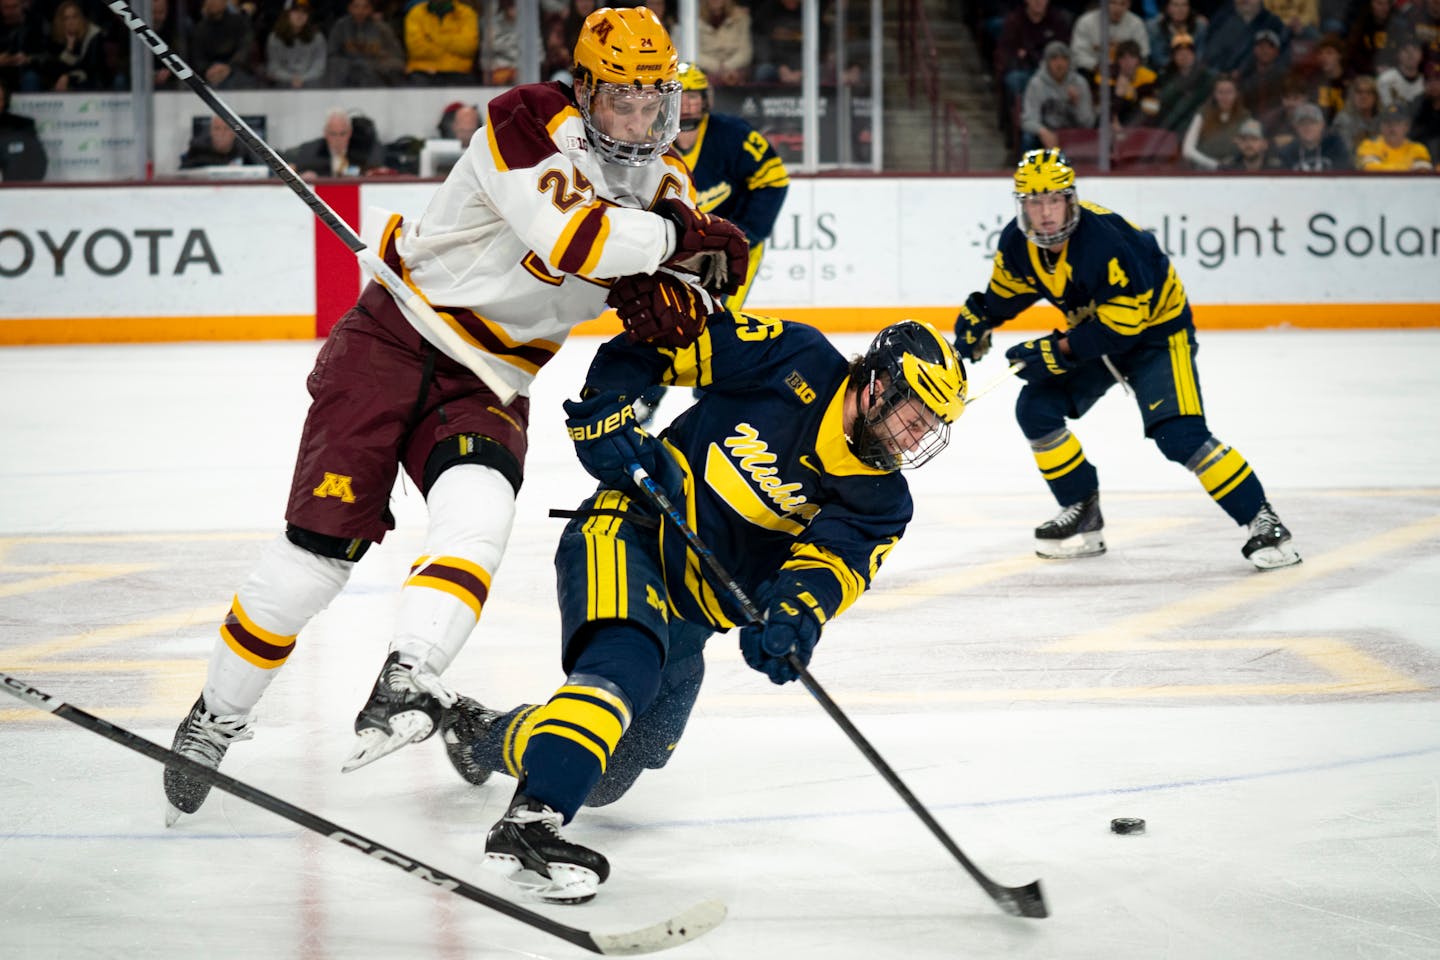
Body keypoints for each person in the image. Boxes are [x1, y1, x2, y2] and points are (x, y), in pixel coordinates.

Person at [159, 5, 749, 826]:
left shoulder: (667, 186)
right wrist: (675, 240)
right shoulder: (524, 120)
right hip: (394, 337)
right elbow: (580, 240)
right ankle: (215, 716)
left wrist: (691, 284)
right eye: (622, 97)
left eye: (656, 99)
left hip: (491, 382)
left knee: (480, 516)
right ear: (583, 88)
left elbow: (685, 282)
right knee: (315, 563)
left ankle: (409, 673)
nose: (642, 117)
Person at [438, 316, 967, 903]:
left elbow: (832, 568)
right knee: (623, 669)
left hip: (695, 611)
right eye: (913, 417)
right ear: (878, 386)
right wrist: (607, 403)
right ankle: (530, 822)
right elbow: (666, 338)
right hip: (629, 530)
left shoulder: (882, 499)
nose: (914, 439)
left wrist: (794, 618)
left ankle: (479, 732)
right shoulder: (795, 357)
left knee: (616, 769)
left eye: (930, 428)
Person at [951, 148, 1300, 571]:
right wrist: (980, 320)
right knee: (1036, 408)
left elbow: (1122, 330)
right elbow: (1007, 295)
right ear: (1021, 205)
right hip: (1093, 331)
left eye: (1053, 200)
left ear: (1070, 200)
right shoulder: (1016, 243)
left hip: (1156, 333)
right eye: (1034, 202)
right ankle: (1083, 515)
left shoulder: (1107, 241)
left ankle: (1264, 521)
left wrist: (1056, 350)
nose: (1044, 212)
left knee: (1180, 435)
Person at [632, 61, 790, 424]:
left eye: (696, 96)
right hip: (674, 252)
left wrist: (746, 234)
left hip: (729, 254)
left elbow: (774, 179)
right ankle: (647, 397)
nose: (689, 105)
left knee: (716, 323)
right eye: (682, 96)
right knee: (663, 317)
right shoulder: (645, 137)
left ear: (708, 99)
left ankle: (709, 401)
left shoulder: (732, 135)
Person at [1020, 40, 1095, 153]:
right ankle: (1030, 169)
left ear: (1069, 62)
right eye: (1054, 59)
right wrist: (1043, 132)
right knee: (1028, 138)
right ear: (1046, 62)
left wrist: (1077, 103)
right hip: (1046, 134)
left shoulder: (1080, 83)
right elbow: (1028, 120)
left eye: (1064, 59)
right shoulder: (1036, 84)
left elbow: (1088, 123)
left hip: (1073, 135)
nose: (1059, 63)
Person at [282, 107, 385, 179]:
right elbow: (290, 170)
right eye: (333, 134)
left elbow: (377, 169)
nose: (338, 139)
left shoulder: (364, 150)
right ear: (325, 133)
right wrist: (301, 177)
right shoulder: (311, 150)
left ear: (350, 133)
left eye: (342, 134)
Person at [325, 0, 405, 87]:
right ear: (349, 8)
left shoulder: (382, 29)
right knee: (335, 65)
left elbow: (397, 56)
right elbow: (332, 54)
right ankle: (335, 98)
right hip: (348, 70)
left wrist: (376, 64)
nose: (360, 11)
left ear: (371, 9)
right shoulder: (340, 27)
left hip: (376, 72)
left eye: (365, 7)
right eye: (356, 6)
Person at [404, 0, 479, 86]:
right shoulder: (415, 13)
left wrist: (432, 38)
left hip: (459, 71)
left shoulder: (466, 13)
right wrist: (452, 42)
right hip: (422, 71)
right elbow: (416, 50)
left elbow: (468, 48)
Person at [265, 0, 326, 89]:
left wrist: (302, 78)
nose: (300, 15)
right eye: (295, 11)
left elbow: (319, 66)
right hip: (283, 84)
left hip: (311, 83)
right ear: (286, 14)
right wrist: (291, 79)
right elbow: (274, 67)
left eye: (304, 12)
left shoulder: (318, 37)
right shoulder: (274, 38)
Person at [1275, 100, 1353, 168]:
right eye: (1302, 123)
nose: (1308, 127)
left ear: (1322, 125)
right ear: (1295, 127)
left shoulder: (1336, 147)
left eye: (1313, 122)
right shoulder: (1288, 153)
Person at [1355, 103, 1434, 170]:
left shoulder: (1418, 149)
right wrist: (1408, 168)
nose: (1391, 126)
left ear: (1406, 126)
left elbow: (1422, 173)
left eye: (1397, 122)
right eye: (1387, 122)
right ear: (1380, 126)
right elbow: (1371, 170)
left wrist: (1385, 166)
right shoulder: (1368, 146)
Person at [0, 72, 46, 180]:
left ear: (5, 101)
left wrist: (22, 191)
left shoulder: (22, 126)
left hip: (16, 191)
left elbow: (38, 162)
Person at [180, 113, 261, 169]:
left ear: (234, 133)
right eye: (217, 129)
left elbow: (261, 171)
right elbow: (183, 173)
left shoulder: (244, 149)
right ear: (211, 131)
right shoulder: (198, 147)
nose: (221, 133)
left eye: (226, 129)